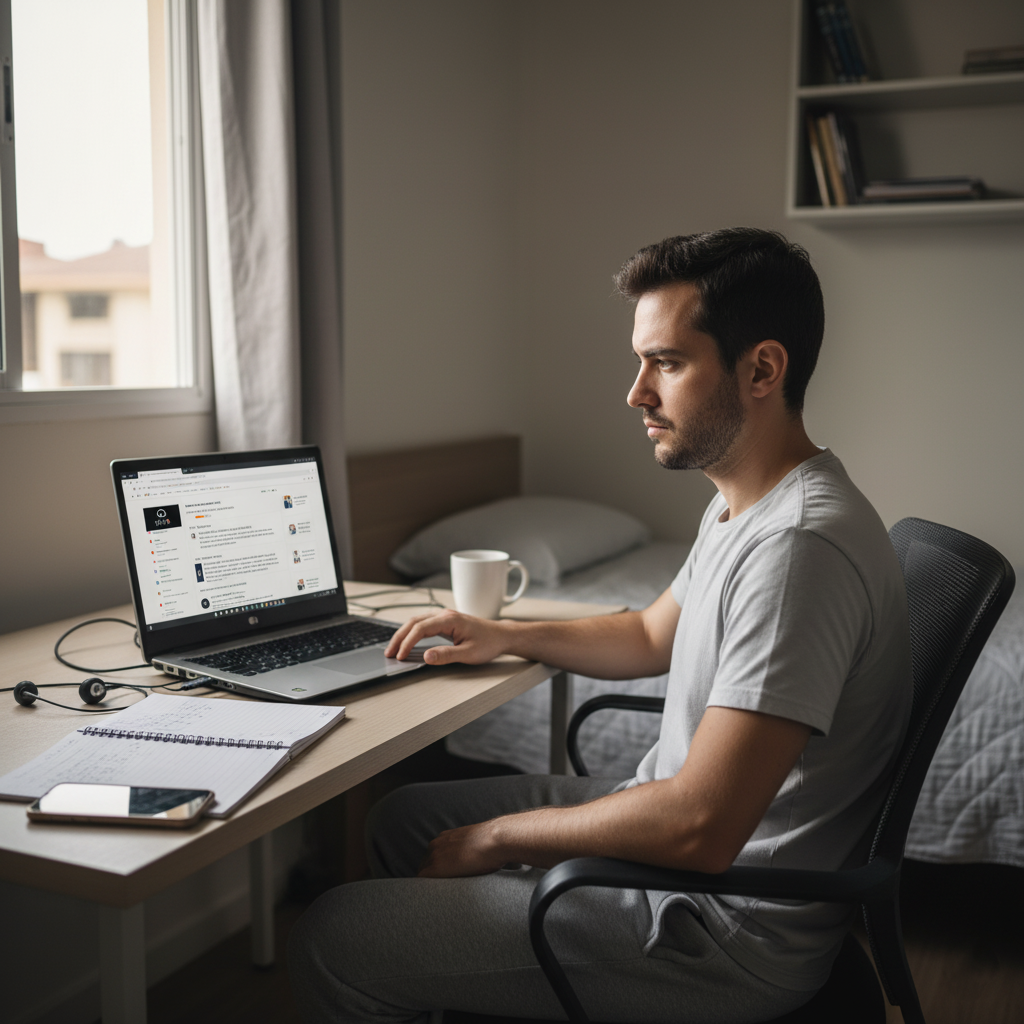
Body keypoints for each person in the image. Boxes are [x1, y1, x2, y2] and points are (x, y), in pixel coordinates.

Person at [288, 228, 912, 1024]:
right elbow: (652, 634)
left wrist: (502, 838)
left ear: (762, 368)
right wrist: (508, 634)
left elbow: (701, 828)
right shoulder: (747, 505)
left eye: (668, 363)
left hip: (710, 929)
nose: (636, 392)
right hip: (680, 856)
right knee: (403, 819)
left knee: (332, 935)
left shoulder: (797, 549)